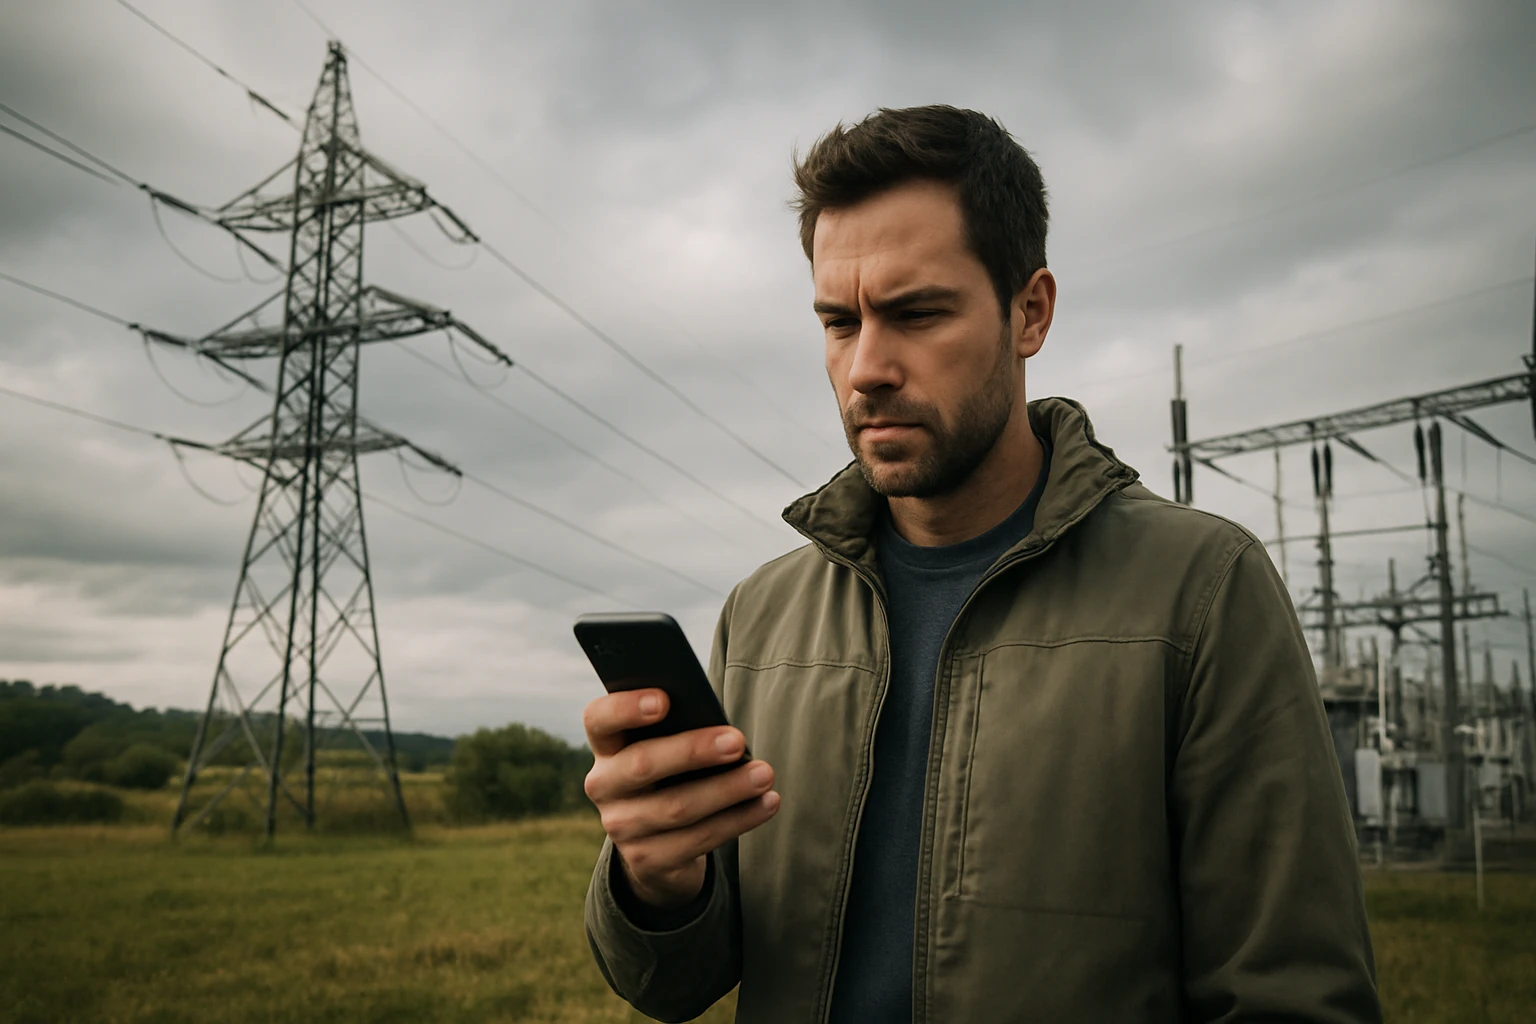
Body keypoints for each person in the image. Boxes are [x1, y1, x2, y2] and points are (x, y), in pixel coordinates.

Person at [581, 104, 1381, 1023]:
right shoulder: (764, 616)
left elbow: (1295, 997)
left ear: (1029, 312)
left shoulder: (1199, 593)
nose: (865, 367)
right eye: (839, 323)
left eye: (916, 313)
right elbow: (672, 985)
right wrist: (655, 882)